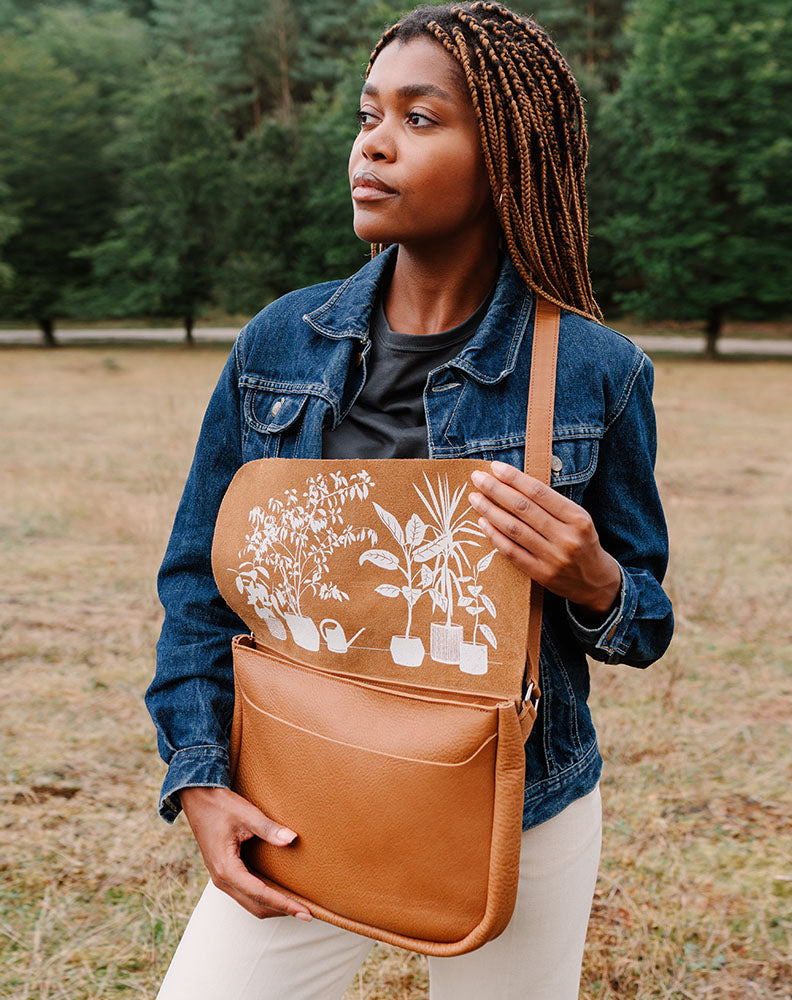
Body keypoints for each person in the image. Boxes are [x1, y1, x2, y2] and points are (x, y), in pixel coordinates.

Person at [146, 3, 673, 998]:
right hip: (298, 798)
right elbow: (199, 588)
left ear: (507, 156)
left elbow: (642, 623)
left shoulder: (596, 373)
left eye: (420, 118)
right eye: (366, 113)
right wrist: (202, 773)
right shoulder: (279, 344)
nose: (372, 144)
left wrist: (594, 579)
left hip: (517, 810)